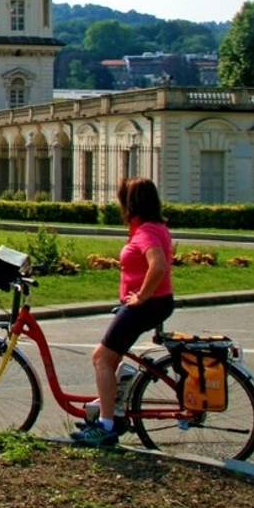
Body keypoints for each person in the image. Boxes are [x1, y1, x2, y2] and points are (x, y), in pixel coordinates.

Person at [72, 176, 175, 447]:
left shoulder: (146, 232)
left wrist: (141, 296)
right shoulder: (154, 227)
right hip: (156, 302)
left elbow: (159, 266)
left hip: (148, 304)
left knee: (102, 358)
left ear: (133, 204)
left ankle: (106, 426)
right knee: (111, 357)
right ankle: (114, 410)